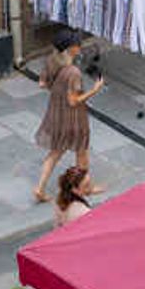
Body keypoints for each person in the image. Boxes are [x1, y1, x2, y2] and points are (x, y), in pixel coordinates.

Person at [33, 31, 103, 203]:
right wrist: (95, 90)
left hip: (56, 111)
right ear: (70, 49)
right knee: (82, 151)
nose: (80, 47)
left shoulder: (51, 60)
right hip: (73, 117)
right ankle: (86, 187)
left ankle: (39, 188)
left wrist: (57, 89)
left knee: (56, 152)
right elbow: (74, 101)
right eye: (77, 45)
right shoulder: (73, 73)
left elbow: (42, 83)